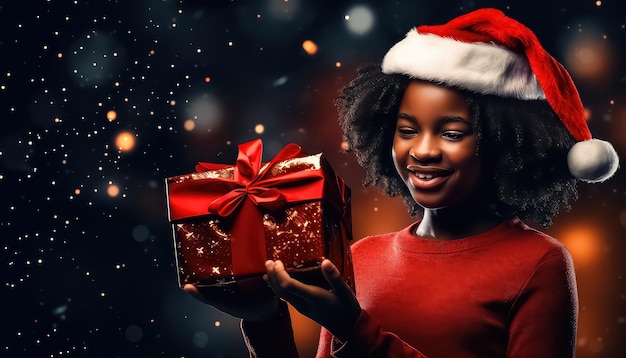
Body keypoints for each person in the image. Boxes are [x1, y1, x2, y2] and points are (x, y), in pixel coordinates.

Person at [184, 8, 619, 357]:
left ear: (504, 143)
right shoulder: (359, 257)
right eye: (407, 130)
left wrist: (358, 332)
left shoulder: (540, 263)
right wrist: (265, 321)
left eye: (451, 133)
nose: (422, 150)